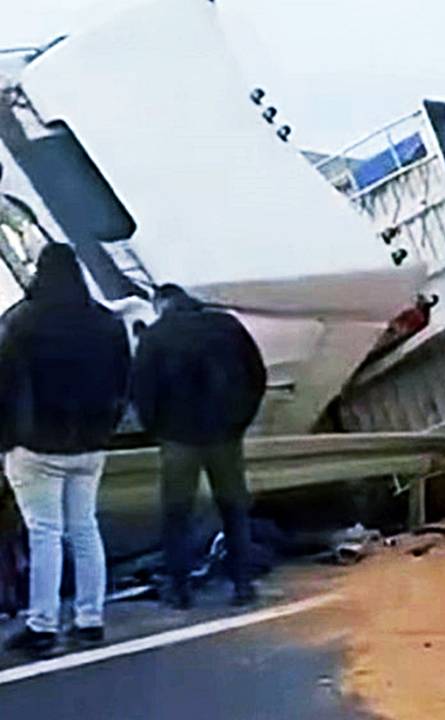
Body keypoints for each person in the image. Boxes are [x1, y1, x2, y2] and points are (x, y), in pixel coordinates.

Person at [0, 244, 130, 656]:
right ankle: (90, 619)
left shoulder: (19, 323)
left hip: (36, 444)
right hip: (90, 445)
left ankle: (43, 624)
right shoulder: (107, 324)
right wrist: (107, 429)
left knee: (45, 534)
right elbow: (123, 383)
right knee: (85, 529)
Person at [132, 284, 266, 608]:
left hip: (179, 439)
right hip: (226, 435)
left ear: (161, 304)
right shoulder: (227, 325)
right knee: (233, 510)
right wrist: (240, 420)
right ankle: (243, 585)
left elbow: (141, 391)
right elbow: (257, 375)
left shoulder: (155, 336)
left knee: (176, 515)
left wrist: (158, 430)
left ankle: (180, 589)